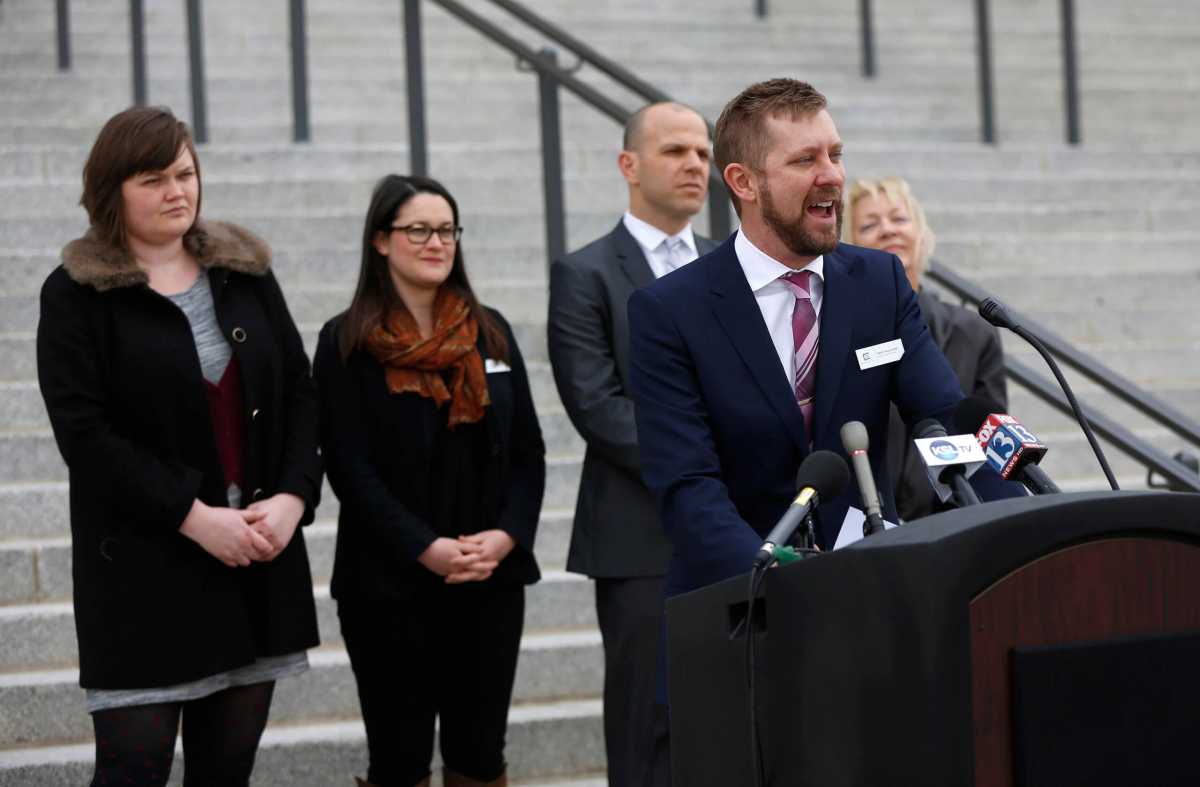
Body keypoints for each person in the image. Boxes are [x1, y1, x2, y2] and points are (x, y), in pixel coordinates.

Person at [627, 78, 1021, 601]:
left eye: (835, 154)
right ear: (744, 182)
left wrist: (1022, 523)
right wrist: (782, 584)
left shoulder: (878, 282)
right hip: (738, 612)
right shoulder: (670, 310)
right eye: (805, 160)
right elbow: (688, 487)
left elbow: (947, 417)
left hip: (871, 597)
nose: (832, 175)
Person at [36, 106, 321, 786]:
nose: (176, 191)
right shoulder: (75, 295)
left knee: (225, 774)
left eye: (186, 173)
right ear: (112, 190)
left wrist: (292, 496)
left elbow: (303, 394)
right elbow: (85, 435)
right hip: (144, 574)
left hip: (254, 561)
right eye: (153, 178)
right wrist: (192, 515)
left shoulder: (245, 271)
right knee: (131, 771)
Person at [313, 174, 545, 787]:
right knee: (399, 758)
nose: (435, 242)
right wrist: (425, 548)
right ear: (381, 240)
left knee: (479, 756)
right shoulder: (346, 341)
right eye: (418, 229)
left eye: (446, 230)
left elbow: (528, 453)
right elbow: (348, 467)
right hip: (388, 586)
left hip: (488, 578)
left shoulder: (489, 330)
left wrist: (506, 536)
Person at [547, 101, 717, 787]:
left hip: (734, 531)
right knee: (646, 733)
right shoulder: (585, 274)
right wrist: (709, 468)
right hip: (640, 540)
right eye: (676, 151)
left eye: (704, 153)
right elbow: (599, 407)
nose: (695, 165)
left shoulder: (729, 264)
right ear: (629, 165)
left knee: (726, 720)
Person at [846, 176, 1008, 521]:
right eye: (870, 224)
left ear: (921, 233)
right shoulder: (839, 333)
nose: (888, 230)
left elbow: (990, 451)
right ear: (849, 244)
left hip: (955, 526)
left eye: (899, 219)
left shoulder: (974, 333)